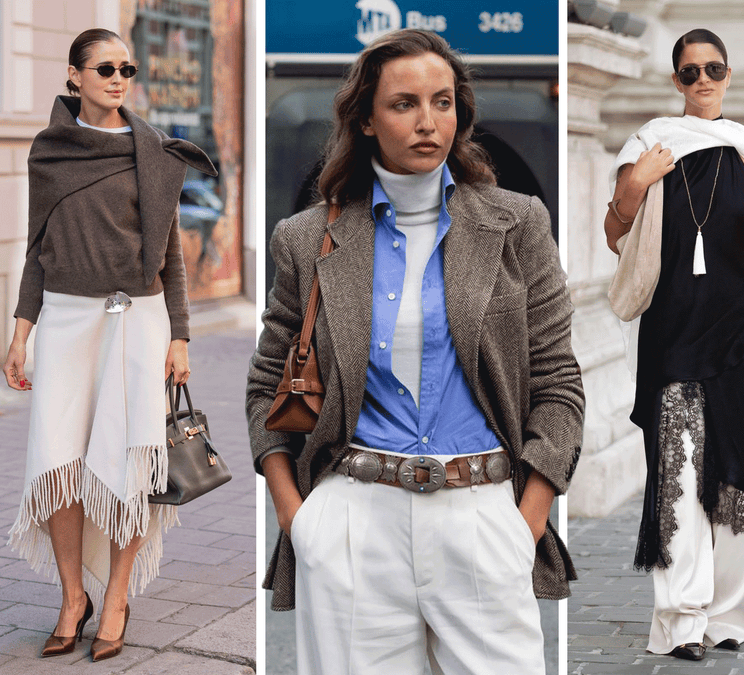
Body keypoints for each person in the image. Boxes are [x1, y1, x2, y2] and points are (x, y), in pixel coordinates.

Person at [246, 29, 583, 674]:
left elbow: (559, 382)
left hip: (483, 513)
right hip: (352, 519)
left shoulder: (516, 224)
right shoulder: (308, 237)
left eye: (443, 101)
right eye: (404, 104)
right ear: (366, 119)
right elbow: (266, 388)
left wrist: (527, 522)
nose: (428, 121)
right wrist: (299, 520)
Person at [2, 28, 215, 662]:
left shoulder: (154, 150)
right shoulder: (49, 152)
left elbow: (170, 253)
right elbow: (37, 250)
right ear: (74, 76)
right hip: (66, 322)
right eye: (104, 68)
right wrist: (21, 334)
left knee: (130, 464)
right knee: (56, 465)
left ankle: (116, 596)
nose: (119, 78)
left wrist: (180, 335)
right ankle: (73, 597)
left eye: (127, 67)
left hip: (137, 323)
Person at [604, 28, 744, 662]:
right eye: (689, 72)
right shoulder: (648, 144)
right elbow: (615, 232)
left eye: (712, 69)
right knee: (680, 475)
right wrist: (638, 182)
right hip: (673, 334)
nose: (702, 81)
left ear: (729, 74)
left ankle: (727, 616)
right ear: (676, 81)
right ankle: (681, 619)